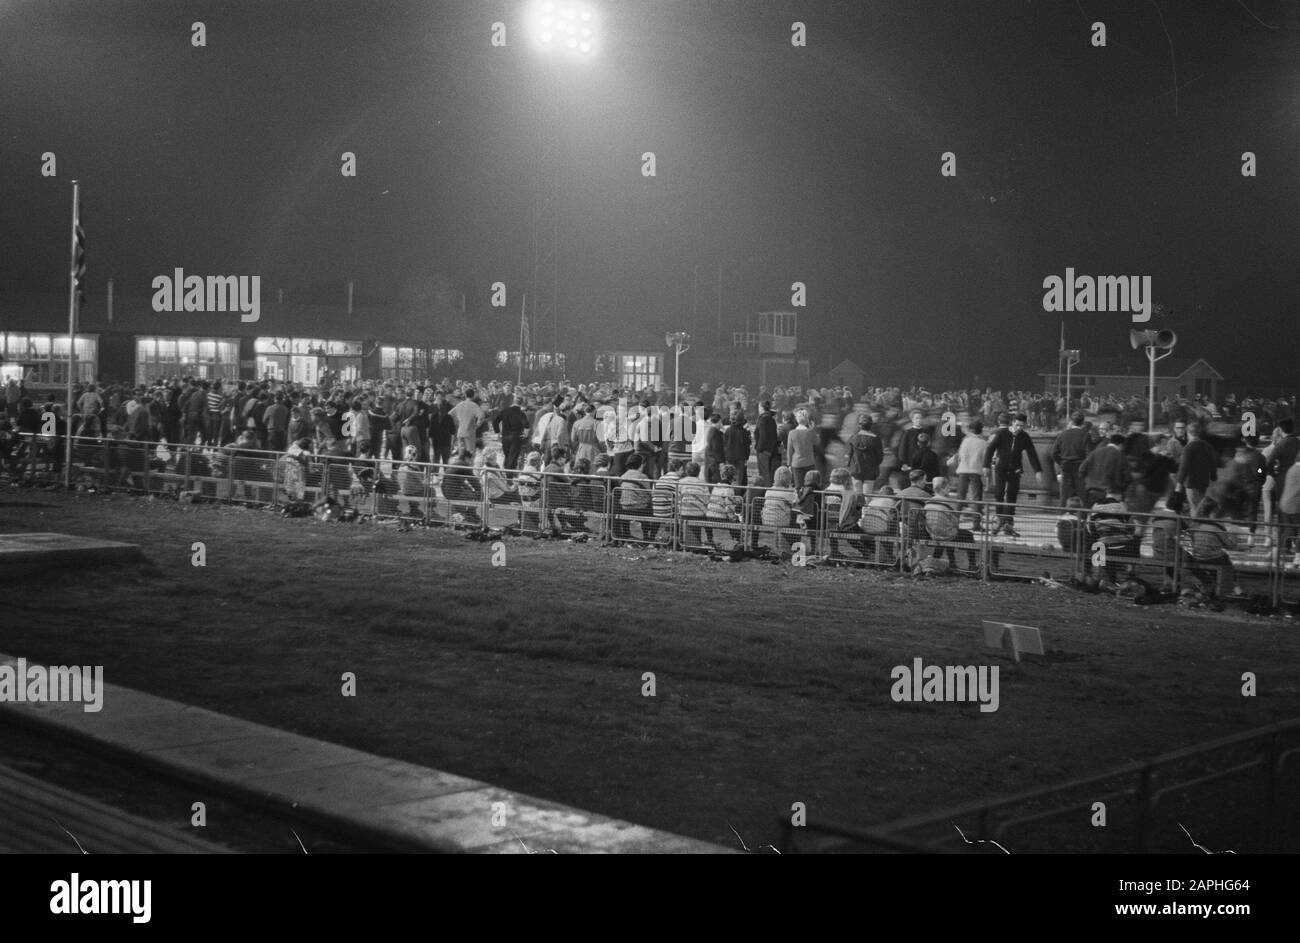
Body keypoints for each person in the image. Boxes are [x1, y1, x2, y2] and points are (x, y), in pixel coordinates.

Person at [983, 412, 1041, 537]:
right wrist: (986, 466)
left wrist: (1037, 470)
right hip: (1001, 468)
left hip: (1015, 469)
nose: (1019, 428)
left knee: (1012, 496)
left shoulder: (1024, 436)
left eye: (1022, 426)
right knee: (999, 493)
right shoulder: (1001, 433)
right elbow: (990, 449)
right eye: (1017, 425)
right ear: (1013, 422)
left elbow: (1032, 453)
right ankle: (998, 521)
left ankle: (1008, 524)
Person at [1176, 421, 1218, 515]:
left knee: (1195, 508)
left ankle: (1196, 527)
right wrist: (1213, 477)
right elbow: (1213, 463)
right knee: (1201, 506)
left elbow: (1184, 467)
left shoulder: (1189, 448)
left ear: (1188, 433)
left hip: (1191, 483)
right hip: (1204, 482)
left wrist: (1179, 483)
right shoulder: (1207, 446)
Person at [1051, 410, 1090, 505]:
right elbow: (1089, 455)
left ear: (1072, 422)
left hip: (1066, 468)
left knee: (1064, 497)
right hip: (1080, 469)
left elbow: (1053, 453)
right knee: (1082, 497)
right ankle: (1082, 518)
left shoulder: (1062, 435)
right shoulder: (1085, 435)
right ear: (1083, 422)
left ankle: (1063, 517)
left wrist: (1061, 462)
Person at [760, 465, 797, 553]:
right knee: (796, 521)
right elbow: (795, 502)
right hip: (781, 521)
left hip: (767, 519)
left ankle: (780, 548)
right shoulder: (787, 492)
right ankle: (793, 548)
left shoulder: (769, 490)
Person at [846, 415, 883, 497]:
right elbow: (879, 457)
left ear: (859, 425)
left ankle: (856, 509)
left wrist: (850, 466)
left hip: (856, 469)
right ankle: (865, 509)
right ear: (871, 425)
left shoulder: (853, 437)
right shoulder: (876, 439)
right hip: (870, 471)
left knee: (856, 494)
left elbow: (849, 454)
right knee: (867, 495)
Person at [753, 400, 780, 487]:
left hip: (764, 450)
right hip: (770, 449)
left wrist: (759, 448)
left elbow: (763, 436)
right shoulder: (770, 418)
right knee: (767, 472)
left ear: (761, 407)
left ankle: (766, 492)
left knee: (764, 473)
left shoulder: (763, 419)